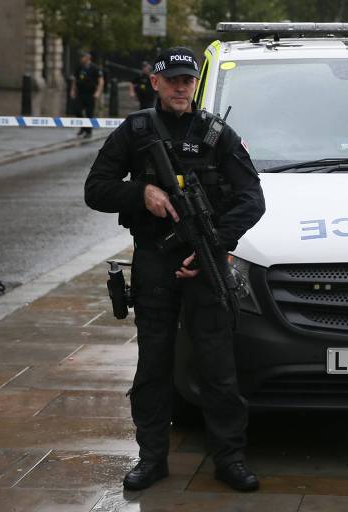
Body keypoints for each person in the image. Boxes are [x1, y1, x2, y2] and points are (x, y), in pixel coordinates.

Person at [84, 47, 266, 492]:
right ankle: (151, 458)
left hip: (204, 258)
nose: (182, 87)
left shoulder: (216, 134)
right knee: (153, 365)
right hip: (154, 259)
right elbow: (96, 189)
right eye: (173, 80)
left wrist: (216, 244)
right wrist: (141, 192)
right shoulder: (136, 130)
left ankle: (228, 458)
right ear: (156, 83)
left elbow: (252, 198)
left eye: (188, 80)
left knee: (218, 365)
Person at [70, 52, 104, 138]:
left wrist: (97, 93)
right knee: (77, 110)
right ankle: (83, 127)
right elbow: (75, 79)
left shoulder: (95, 68)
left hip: (90, 93)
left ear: (88, 58)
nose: (81, 59)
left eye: (83, 57)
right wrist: (73, 90)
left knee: (89, 113)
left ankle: (89, 131)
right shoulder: (79, 67)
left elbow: (101, 81)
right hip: (81, 92)